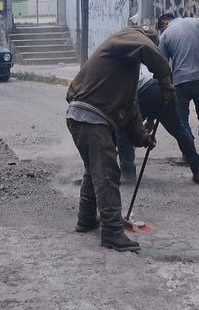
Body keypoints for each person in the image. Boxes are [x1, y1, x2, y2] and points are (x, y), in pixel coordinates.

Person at [66, 24, 174, 253]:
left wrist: (143, 137)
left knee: (93, 169)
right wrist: (165, 79)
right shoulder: (129, 37)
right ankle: (112, 232)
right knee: (106, 173)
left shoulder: (125, 67)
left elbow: (131, 107)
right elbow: (148, 49)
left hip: (84, 116)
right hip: (90, 116)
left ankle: (86, 219)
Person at [116, 63, 199, 184]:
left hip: (144, 91)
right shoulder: (140, 62)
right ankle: (198, 170)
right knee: (179, 130)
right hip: (163, 88)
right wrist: (151, 119)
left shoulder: (115, 72)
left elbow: (127, 103)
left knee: (123, 130)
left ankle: (128, 173)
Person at [158, 13, 199, 165]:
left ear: (164, 22)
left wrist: (166, 87)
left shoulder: (165, 35)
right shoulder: (197, 22)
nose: (162, 32)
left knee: (182, 120)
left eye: (161, 29)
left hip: (181, 82)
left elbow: (161, 65)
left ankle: (189, 155)